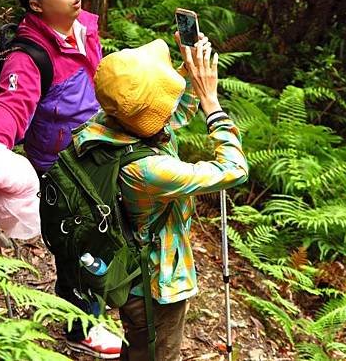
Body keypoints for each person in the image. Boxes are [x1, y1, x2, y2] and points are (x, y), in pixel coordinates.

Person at [0, 0, 121, 358]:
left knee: (101, 244)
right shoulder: (28, 57)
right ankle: (81, 327)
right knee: (78, 250)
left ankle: (96, 310)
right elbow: (10, 106)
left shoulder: (84, 29)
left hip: (98, 158)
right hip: (63, 175)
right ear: (36, 4)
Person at [70, 35, 249, 359]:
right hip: (155, 287)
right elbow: (234, 170)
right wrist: (212, 104)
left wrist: (189, 69)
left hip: (128, 271)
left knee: (138, 347)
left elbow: (166, 115)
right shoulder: (151, 171)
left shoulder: (105, 124)